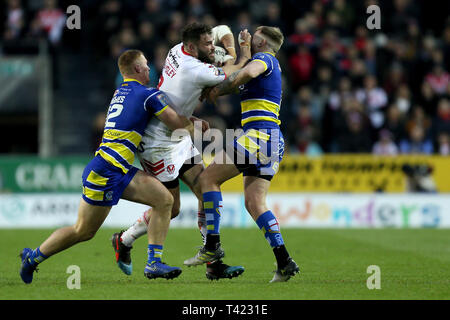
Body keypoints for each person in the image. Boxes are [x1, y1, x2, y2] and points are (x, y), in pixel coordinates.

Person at [19, 49, 195, 284]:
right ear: (137, 69)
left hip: (117, 168)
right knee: (83, 231)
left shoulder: (121, 92)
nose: (149, 69)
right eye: (145, 65)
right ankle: (32, 258)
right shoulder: (147, 94)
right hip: (106, 171)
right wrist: (195, 123)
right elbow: (176, 125)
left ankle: (154, 263)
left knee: (164, 201)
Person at [111, 23, 252, 280]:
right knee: (170, 208)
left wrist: (191, 117)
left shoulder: (178, 50)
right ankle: (125, 239)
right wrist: (239, 51)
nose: (212, 47)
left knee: (205, 188)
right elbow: (235, 74)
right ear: (191, 46)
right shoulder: (194, 68)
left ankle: (213, 262)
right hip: (157, 144)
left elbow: (179, 91)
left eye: (212, 42)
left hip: (178, 133)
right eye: (207, 43)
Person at [184, 26, 300, 283]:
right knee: (254, 202)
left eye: (254, 35)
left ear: (261, 40)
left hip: (259, 135)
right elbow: (240, 76)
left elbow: (245, 72)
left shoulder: (264, 59)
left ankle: (212, 245)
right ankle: (285, 261)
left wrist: (218, 87)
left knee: (207, 179)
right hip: (273, 139)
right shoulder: (268, 64)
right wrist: (231, 69)